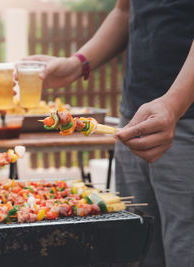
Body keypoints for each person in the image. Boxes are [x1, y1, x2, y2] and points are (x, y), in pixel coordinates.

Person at [27, 1, 194, 266]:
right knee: (137, 250)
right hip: (132, 119)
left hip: (187, 124)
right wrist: (76, 64)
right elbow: (125, 10)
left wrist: (174, 103)